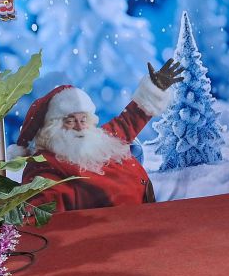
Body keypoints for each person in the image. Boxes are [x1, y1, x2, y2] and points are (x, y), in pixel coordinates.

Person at [10, 60, 184, 214]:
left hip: (148, 215)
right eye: (70, 121)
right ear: (53, 128)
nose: (79, 126)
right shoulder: (45, 165)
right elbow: (40, 207)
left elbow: (127, 122)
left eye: (83, 119)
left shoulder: (99, 139)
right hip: (117, 236)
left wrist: (154, 88)